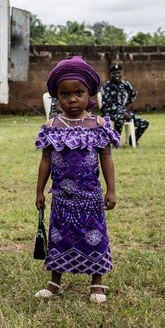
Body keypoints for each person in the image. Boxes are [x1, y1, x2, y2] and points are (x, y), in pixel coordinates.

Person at [34, 56, 119, 304]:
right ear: (57, 97)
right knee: (59, 237)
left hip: (90, 196)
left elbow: (107, 157)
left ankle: (97, 283)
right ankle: (55, 282)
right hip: (61, 196)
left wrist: (111, 190)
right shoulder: (52, 126)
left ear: (89, 93)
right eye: (64, 94)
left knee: (95, 236)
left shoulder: (98, 124)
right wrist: (39, 191)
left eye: (78, 92)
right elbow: (46, 161)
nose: (72, 99)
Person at [100, 64, 149, 145]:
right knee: (120, 118)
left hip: (123, 112)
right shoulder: (106, 87)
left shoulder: (125, 84)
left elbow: (133, 93)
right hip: (109, 112)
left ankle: (131, 141)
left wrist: (126, 104)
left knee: (144, 123)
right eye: (114, 73)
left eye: (118, 73)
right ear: (110, 74)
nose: (117, 75)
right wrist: (122, 112)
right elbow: (108, 104)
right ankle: (116, 142)